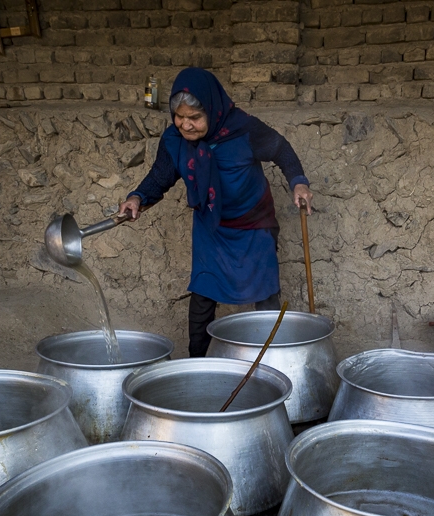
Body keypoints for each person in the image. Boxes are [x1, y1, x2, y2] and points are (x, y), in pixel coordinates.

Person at [120, 67, 314, 357]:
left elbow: (281, 150)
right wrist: (136, 197)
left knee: (266, 295)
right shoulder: (174, 141)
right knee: (202, 296)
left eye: (195, 118)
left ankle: (276, 361)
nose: (185, 125)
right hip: (212, 228)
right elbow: (161, 176)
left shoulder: (243, 130)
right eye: (180, 117)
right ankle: (197, 364)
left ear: (212, 110)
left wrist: (298, 182)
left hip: (254, 226)